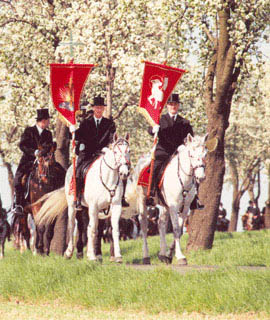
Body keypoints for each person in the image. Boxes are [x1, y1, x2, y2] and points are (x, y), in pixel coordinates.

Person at [70, 96, 129, 211]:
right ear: (93, 108)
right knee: (79, 169)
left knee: (123, 167)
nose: (99, 110)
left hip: (103, 152)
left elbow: (112, 138)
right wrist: (72, 130)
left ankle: (121, 197)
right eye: (97, 108)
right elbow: (77, 135)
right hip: (87, 153)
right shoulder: (85, 123)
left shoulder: (109, 123)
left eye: (101, 108)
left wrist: (107, 148)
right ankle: (77, 197)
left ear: (103, 109)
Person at [145, 93, 204, 210]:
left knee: (196, 168)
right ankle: (151, 194)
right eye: (171, 104)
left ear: (178, 106)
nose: (173, 107)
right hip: (164, 151)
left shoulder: (185, 122)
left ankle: (194, 198)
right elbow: (149, 129)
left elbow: (190, 139)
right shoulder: (161, 119)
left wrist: (183, 146)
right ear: (167, 106)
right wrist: (153, 129)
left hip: (179, 152)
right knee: (155, 165)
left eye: (175, 104)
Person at [13, 108, 53, 215]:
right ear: (42, 121)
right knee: (18, 180)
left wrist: (45, 153)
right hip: (28, 160)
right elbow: (22, 145)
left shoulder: (48, 134)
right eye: (47, 120)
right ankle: (18, 204)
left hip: (44, 161)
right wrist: (34, 152)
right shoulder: (29, 131)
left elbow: (49, 146)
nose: (49, 122)